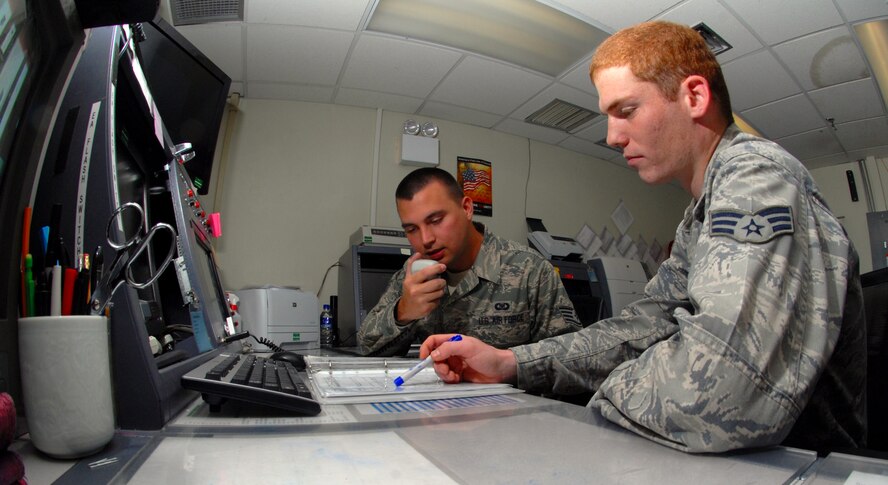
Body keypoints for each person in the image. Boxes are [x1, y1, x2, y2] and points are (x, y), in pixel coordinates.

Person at [420, 21, 866, 454]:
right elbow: (641, 328)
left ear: (694, 96)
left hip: (798, 463)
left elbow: (721, 390)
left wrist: (596, 400)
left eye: (627, 111)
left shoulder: (755, 176)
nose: (613, 136)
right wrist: (512, 363)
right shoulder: (700, 212)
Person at [358, 167, 581, 356]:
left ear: (466, 209)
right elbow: (366, 346)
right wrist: (402, 313)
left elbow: (572, 357)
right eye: (412, 229)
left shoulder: (529, 270)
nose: (426, 240)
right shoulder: (415, 276)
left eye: (435, 220)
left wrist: (506, 364)